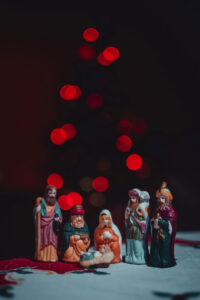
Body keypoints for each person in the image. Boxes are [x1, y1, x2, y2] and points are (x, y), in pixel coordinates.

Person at [149, 181, 177, 268]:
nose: (160, 200)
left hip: (165, 235)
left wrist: (160, 221)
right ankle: (155, 260)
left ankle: (165, 261)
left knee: (164, 249)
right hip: (156, 233)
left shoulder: (171, 211)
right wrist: (154, 221)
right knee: (156, 248)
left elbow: (171, 223)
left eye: (163, 198)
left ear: (167, 199)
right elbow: (152, 219)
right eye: (159, 198)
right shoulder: (157, 209)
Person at [34, 185, 62, 262]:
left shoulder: (56, 204)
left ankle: (52, 256)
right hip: (44, 227)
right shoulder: (41, 203)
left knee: (52, 241)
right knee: (44, 240)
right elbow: (37, 215)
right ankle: (42, 256)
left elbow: (59, 214)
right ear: (46, 193)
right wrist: (37, 210)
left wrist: (58, 218)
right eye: (50, 193)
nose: (52, 195)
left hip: (52, 226)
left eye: (54, 193)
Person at [124, 188, 150, 264]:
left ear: (138, 198)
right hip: (130, 229)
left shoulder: (140, 207)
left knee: (137, 244)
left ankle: (139, 258)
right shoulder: (128, 207)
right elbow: (126, 218)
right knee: (130, 245)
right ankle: (130, 257)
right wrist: (127, 213)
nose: (132, 199)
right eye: (131, 197)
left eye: (134, 197)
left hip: (138, 229)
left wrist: (143, 222)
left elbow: (146, 217)